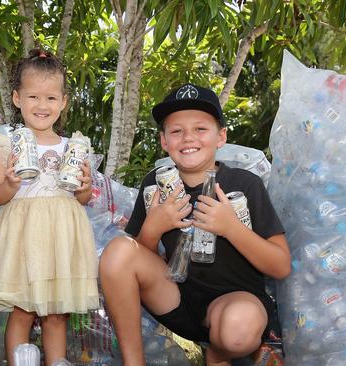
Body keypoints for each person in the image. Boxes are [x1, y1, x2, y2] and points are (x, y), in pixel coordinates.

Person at [99, 83, 291, 366]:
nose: (188, 138)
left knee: (237, 331)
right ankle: (133, 362)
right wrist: (154, 227)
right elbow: (136, 261)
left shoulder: (243, 184)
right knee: (117, 250)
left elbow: (281, 265)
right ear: (164, 141)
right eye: (176, 131)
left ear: (220, 136)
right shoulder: (156, 184)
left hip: (237, 302)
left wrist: (231, 227)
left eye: (201, 129)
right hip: (177, 300)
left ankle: (217, 354)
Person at [0, 49, 99, 364]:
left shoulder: (73, 147)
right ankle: (18, 360)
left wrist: (85, 189)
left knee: (57, 312)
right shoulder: (6, 145)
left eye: (50, 98)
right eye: (33, 97)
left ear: (63, 102)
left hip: (61, 238)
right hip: (22, 237)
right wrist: (8, 184)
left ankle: (56, 360)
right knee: (21, 310)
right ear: (18, 98)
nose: (42, 105)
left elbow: (82, 199)